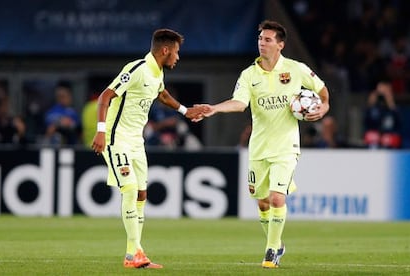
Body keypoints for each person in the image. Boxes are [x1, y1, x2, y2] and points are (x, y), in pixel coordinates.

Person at [194, 20, 330, 268]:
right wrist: (214, 109)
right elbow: (239, 103)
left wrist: (324, 108)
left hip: (286, 147)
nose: (262, 43)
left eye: (267, 40)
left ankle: (271, 252)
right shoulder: (249, 74)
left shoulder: (296, 69)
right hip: (258, 147)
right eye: (260, 39)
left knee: (278, 198)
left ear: (280, 44)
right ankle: (277, 243)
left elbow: (322, 92)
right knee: (263, 201)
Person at [91, 29, 206, 269]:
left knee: (142, 194)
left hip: (136, 141)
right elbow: (105, 96)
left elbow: (161, 94)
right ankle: (136, 254)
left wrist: (185, 111)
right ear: (165, 50)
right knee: (130, 190)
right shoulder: (137, 69)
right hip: (116, 138)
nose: (177, 57)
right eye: (176, 52)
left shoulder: (157, 72)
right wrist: (101, 131)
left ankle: (132, 254)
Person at [363, 80, 401, 148]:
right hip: (375, 135)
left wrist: (390, 101)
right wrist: (371, 103)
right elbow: (366, 123)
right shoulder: (373, 108)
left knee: (387, 139)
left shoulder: (394, 108)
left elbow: (399, 125)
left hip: (390, 135)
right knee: (372, 137)